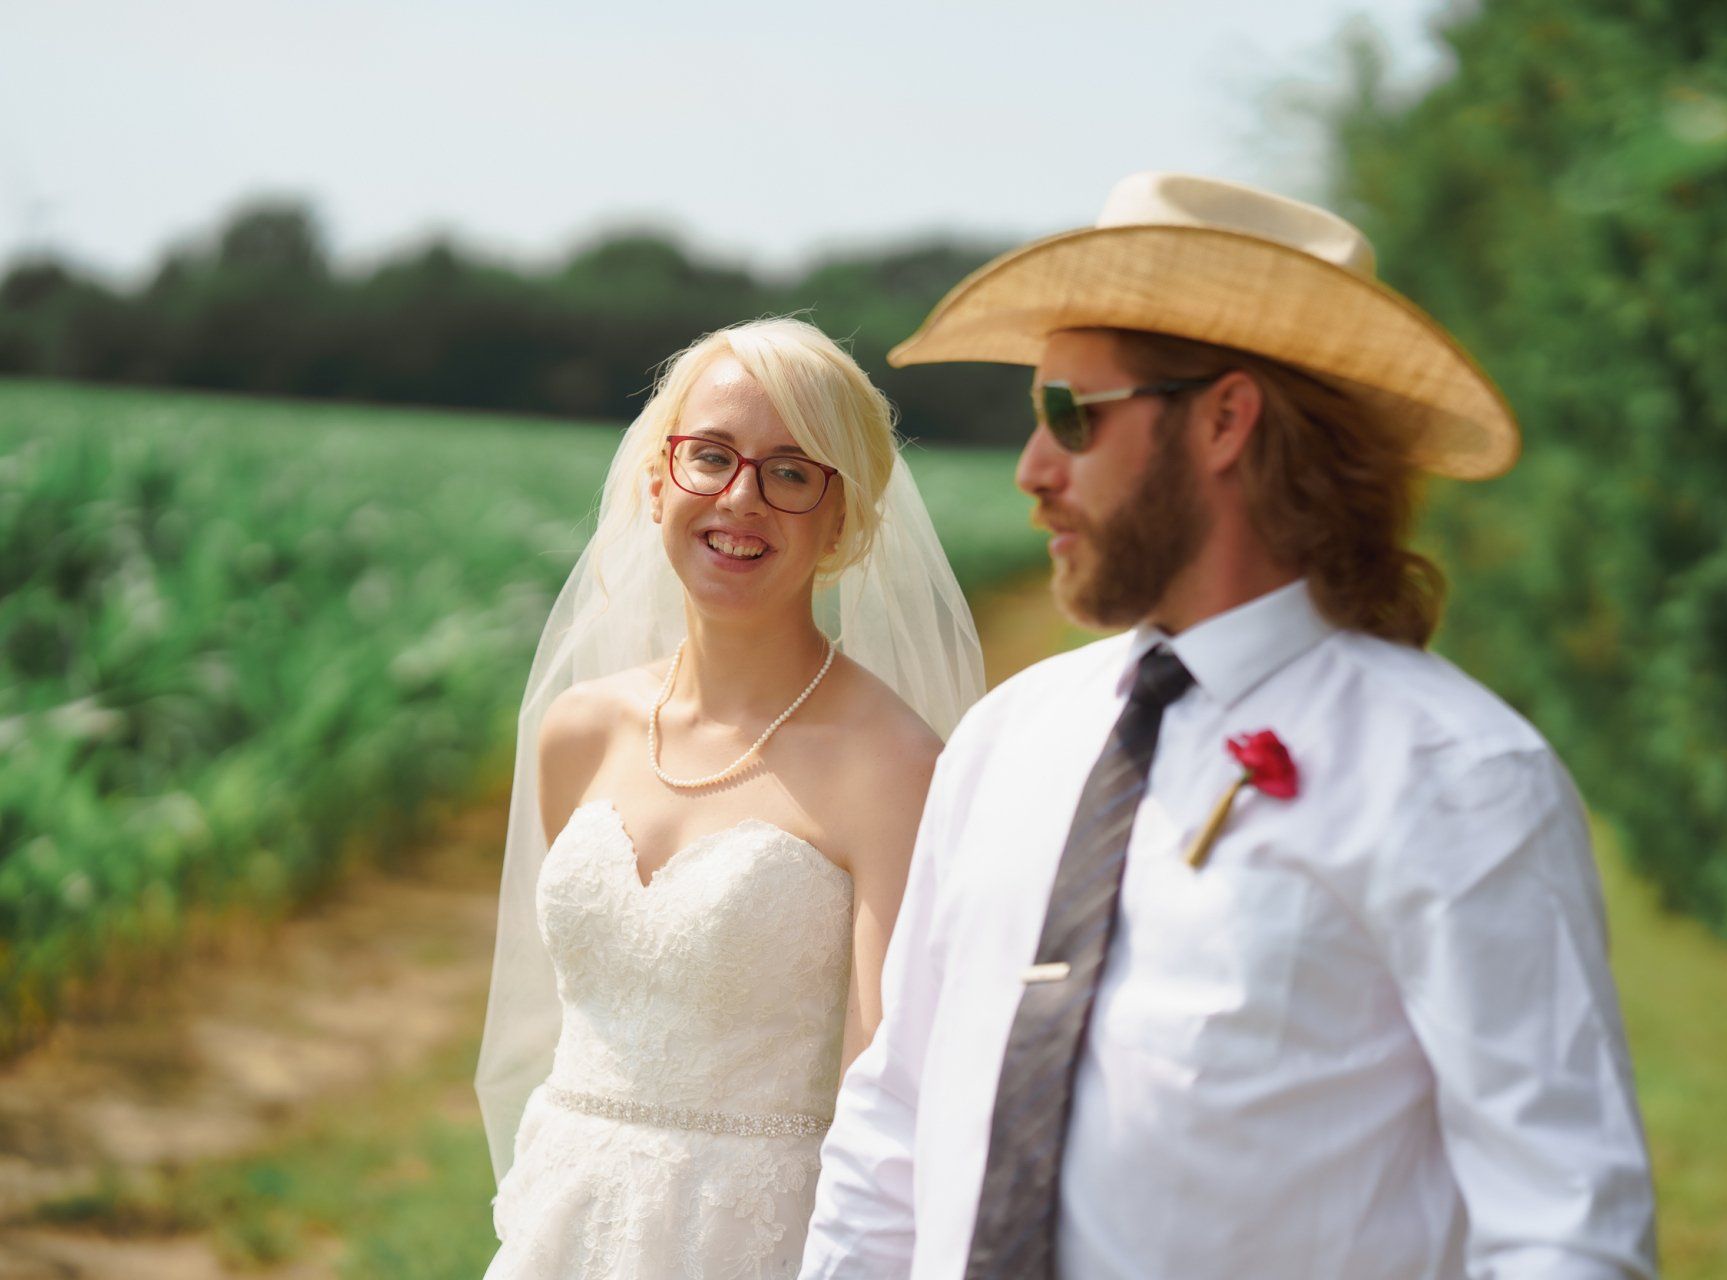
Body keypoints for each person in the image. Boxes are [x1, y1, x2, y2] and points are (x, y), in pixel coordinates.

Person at [800, 173, 1658, 1278]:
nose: (1033, 470)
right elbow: (894, 1123)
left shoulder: (1457, 774)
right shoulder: (1005, 738)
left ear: (1224, 418)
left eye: (1071, 413)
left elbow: (1564, 1231)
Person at [475, 317, 985, 1279]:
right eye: (711, 456)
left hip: (752, 1243)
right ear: (658, 479)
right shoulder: (579, 731)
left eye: (793, 473)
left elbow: (890, 1091)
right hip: (557, 1226)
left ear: (845, 520)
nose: (741, 498)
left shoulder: (892, 764)